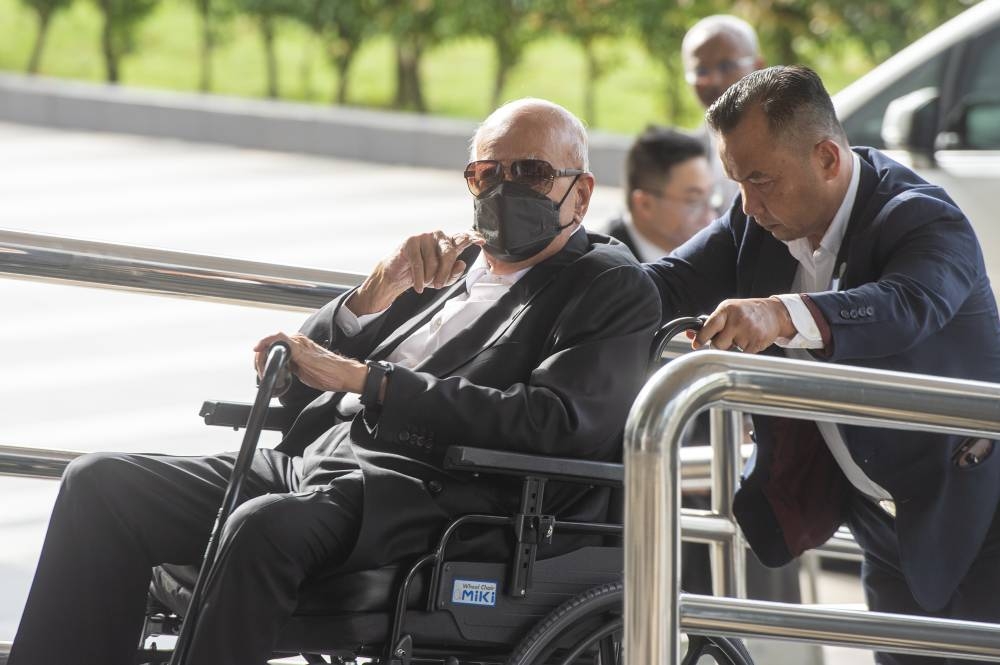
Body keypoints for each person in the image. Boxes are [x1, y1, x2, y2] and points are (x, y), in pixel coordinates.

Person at [9, 98, 661, 665]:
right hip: (316, 461)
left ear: (580, 193)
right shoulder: (446, 265)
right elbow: (298, 382)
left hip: (431, 493)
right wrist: (374, 291)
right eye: (486, 173)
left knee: (264, 526)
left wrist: (371, 381)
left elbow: (555, 422)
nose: (503, 188)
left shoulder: (607, 285)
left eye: (530, 172)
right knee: (99, 482)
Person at [645, 65, 1000, 665]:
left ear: (828, 158)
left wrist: (780, 314)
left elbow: (905, 306)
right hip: (881, 521)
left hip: (980, 515)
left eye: (761, 180)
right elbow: (664, 282)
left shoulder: (924, 216)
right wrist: (553, 264)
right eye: (738, 182)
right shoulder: (755, 221)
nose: (748, 204)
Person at [682, 14, 765, 215]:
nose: (714, 80)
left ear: (758, 67)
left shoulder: (790, 141)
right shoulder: (687, 156)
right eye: (701, 71)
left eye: (726, 66)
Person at [603, 125, 715, 262]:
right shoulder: (605, 267)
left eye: (711, 196)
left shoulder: (710, 256)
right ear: (645, 204)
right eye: (693, 200)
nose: (710, 217)